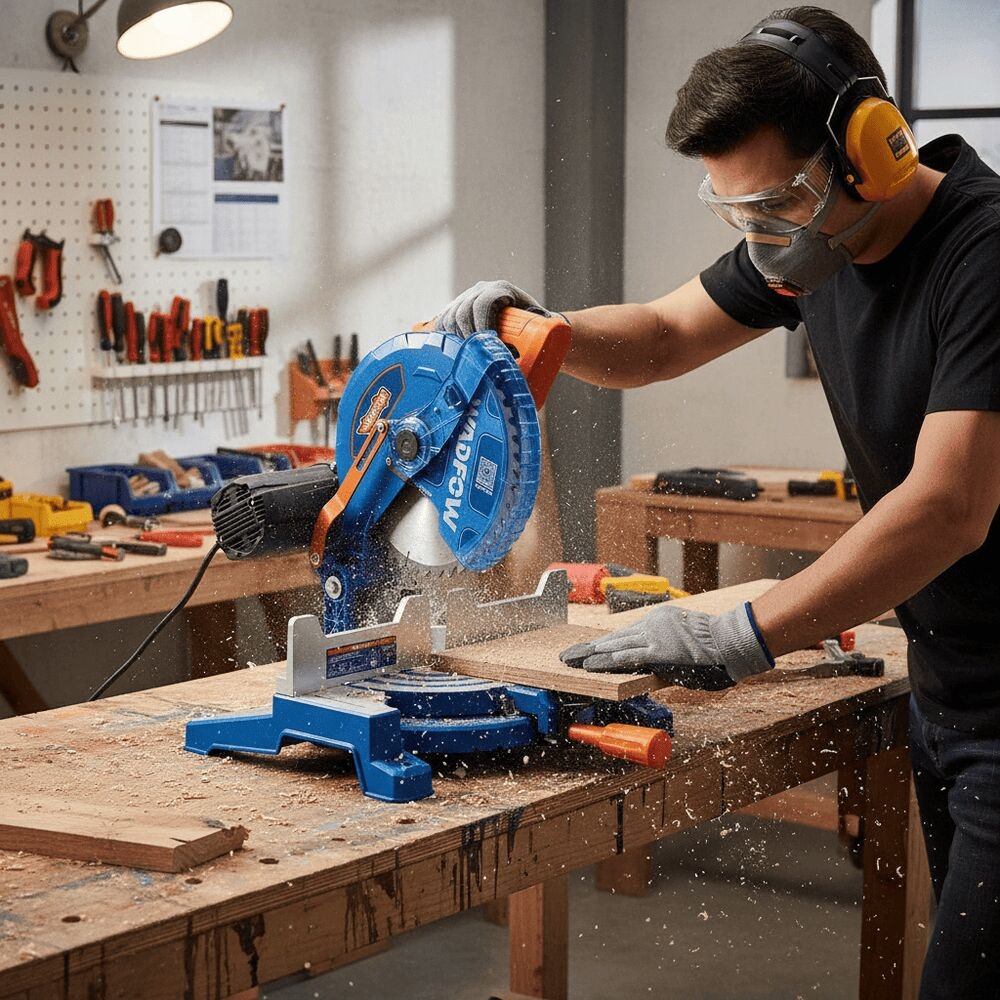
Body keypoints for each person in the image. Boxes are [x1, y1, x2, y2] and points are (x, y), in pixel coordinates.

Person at [431, 7, 1000, 998]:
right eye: (736, 212)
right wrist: (537, 327)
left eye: (775, 205)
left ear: (869, 146)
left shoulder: (983, 255)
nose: (760, 237)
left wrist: (743, 627)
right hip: (950, 680)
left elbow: (950, 504)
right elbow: (657, 337)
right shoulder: (816, 239)